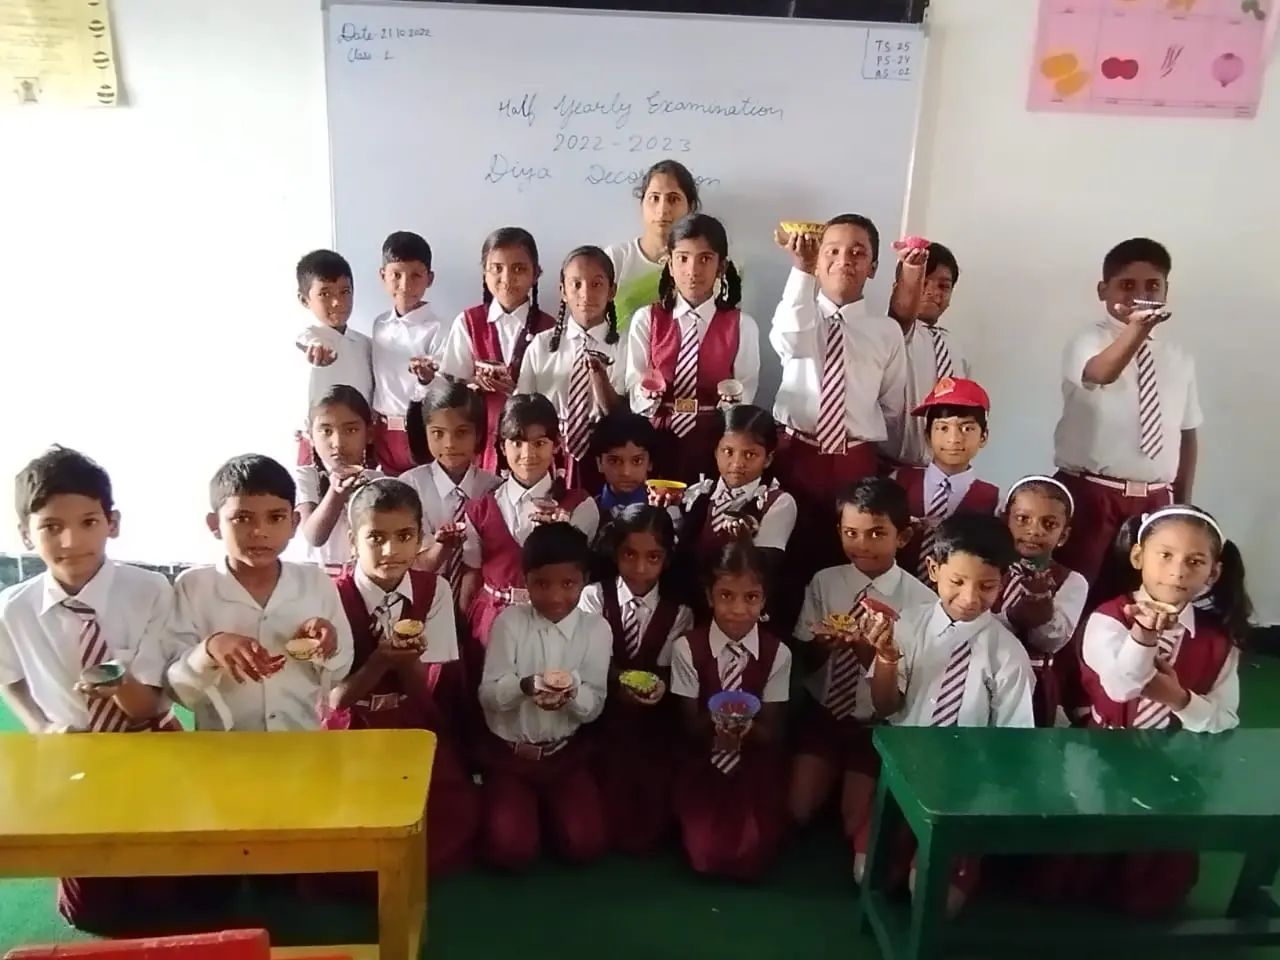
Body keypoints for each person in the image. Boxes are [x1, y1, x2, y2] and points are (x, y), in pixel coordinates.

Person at [0, 447, 179, 934]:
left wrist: (117, 685)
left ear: (112, 523)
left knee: (173, 893)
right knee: (89, 911)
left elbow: (148, 703)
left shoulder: (151, 591)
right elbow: (9, 676)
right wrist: (41, 727)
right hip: (74, 759)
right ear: (24, 534)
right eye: (51, 527)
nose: (72, 540)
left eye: (88, 522)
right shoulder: (12, 610)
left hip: (151, 742)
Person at [1072, 506, 1250, 915]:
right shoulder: (1108, 620)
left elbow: (1225, 720)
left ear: (1214, 573)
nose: (1178, 570)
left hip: (1175, 772)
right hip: (1102, 761)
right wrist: (1145, 635)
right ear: (1138, 558)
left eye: (1195, 561)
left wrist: (1180, 700)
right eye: (1165, 555)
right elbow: (1121, 687)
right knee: (1083, 880)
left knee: (1152, 891)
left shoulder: (1217, 641)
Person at [865, 514, 1033, 912]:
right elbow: (884, 706)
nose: (971, 598)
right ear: (934, 569)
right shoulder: (907, 625)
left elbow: (1014, 741)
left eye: (987, 585)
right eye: (957, 581)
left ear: (1003, 582)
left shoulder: (1008, 654)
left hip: (965, 786)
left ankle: (959, 865)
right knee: (868, 874)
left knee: (932, 901)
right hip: (905, 768)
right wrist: (886, 658)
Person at [327, 479, 476, 876]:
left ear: (420, 538)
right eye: (376, 537)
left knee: (446, 819)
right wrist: (379, 661)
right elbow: (335, 700)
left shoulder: (435, 590)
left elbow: (426, 690)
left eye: (404, 536)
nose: (391, 551)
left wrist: (405, 662)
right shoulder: (331, 596)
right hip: (350, 728)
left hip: (410, 720)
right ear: (353, 541)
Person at [788, 478, 935, 863]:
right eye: (851, 533)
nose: (862, 544)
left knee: (854, 820)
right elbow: (807, 657)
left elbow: (903, 691)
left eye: (876, 534)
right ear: (839, 531)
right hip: (823, 714)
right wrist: (824, 645)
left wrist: (868, 651)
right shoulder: (825, 581)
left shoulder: (921, 601)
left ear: (902, 538)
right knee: (798, 810)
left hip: (875, 727)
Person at [1051, 238, 1200, 590]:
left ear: (1166, 290)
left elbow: (1187, 433)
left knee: (1140, 594)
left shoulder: (1179, 358)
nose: (1140, 294)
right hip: (1092, 493)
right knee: (1077, 589)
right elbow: (1101, 373)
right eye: (1127, 285)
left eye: (1152, 286)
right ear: (1104, 290)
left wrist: (1182, 502)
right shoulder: (1088, 339)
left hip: (1154, 496)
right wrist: (1137, 327)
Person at [166, 454, 354, 731]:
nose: (259, 531)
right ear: (214, 524)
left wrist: (327, 645)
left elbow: (340, 670)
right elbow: (176, 690)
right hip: (222, 756)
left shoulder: (315, 584)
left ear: (293, 523)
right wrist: (209, 651)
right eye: (242, 518)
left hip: (300, 748)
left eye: (276, 517)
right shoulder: (194, 587)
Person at [477, 522, 610, 869]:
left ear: (584, 581)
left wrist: (570, 697)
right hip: (510, 757)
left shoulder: (596, 629)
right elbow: (489, 696)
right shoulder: (510, 622)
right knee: (510, 852)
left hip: (564, 756)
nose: (555, 597)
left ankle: (545, 813)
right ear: (525, 581)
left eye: (568, 584)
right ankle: (517, 808)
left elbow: (594, 705)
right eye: (541, 584)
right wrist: (526, 686)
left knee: (585, 846)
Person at [770, 215, 909, 513]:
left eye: (858, 253)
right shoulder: (796, 311)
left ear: (872, 268)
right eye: (831, 251)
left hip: (855, 460)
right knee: (790, 546)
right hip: (795, 452)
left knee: (851, 547)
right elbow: (790, 343)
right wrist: (801, 271)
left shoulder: (886, 332)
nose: (844, 259)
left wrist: (856, 435)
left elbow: (892, 406)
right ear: (817, 261)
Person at [670, 542, 792, 881]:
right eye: (726, 596)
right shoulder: (688, 648)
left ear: (764, 600)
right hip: (703, 763)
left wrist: (746, 729)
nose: (738, 609)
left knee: (752, 857)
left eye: (751, 597)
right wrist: (715, 723)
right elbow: (688, 728)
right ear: (709, 597)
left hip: (754, 765)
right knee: (707, 856)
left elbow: (773, 733)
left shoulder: (777, 653)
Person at [579, 505, 693, 855]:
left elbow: (664, 672)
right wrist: (619, 684)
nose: (640, 568)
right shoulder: (594, 597)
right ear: (615, 553)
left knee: (646, 827)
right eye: (630, 554)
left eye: (653, 557)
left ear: (667, 559)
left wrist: (653, 690)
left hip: (651, 726)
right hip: (599, 718)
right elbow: (589, 660)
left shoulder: (680, 614)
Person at [459, 394, 600, 671]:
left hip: (554, 619)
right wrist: (463, 628)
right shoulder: (481, 508)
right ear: (501, 445)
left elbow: (582, 577)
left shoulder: (581, 506)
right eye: (517, 442)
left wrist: (564, 531)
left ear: (556, 445)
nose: (527, 454)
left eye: (539, 443)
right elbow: (471, 575)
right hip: (492, 622)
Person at [625, 213, 760, 483]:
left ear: (721, 266)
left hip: (714, 445)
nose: (693, 270)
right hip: (654, 442)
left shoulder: (741, 325)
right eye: (683, 258)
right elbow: (633, 387)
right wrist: (648, 395)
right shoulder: (646, 320)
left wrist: (730, 401)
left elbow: (746, 394)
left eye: (705, 259)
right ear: (670, 264)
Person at [439, 227, 556, 473]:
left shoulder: (551, 329)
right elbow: (452, 389)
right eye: (497, 268)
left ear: (536, 273)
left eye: (519, 269)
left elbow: (555, 397)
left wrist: (518, 390)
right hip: (480, 444)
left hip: (531, 448)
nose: (507, 278)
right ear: (484, 272)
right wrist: (475, 384)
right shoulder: (468, 323)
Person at [517, 245, 626, 492]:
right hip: (549, 457)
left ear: (612, 291)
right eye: (576, 284)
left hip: (605, 457)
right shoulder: (542, 345)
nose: (585, 293)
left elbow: (624, 412)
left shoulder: (625, 346)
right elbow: (524, 408)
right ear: (562, 291)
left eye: (597, 284)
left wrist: (599, 376)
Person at [672, 405, 796, 618]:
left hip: (739, 610)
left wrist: (745, 544)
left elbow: (766, 568)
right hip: (692, 604)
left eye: (750, 455)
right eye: (728, 452)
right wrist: (666, 510)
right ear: (716, 451)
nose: (737, 464)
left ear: (767, 459)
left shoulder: (777, 502)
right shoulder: (700, 492)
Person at [993, 476, 1088, 726]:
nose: (1034, 530)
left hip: (1034, 684)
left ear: (1063, 535)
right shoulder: (987, 569)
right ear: (1006, 521)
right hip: (981, 672)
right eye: (1023, 519)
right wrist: (1012, 617)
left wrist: (1042, 608)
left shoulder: (1072, 581)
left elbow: (1053, 641)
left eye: (1049, 524)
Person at [400, 378, 499, 600]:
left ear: (479, 434)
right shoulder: (409, 488)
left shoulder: (494, 489)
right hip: (421, 599)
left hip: (481, 603)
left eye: (461, 432)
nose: (449, 443)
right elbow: (412, 562)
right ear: (425, 432)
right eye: (438, 433)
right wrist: (440, 547)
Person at [893, 377, 999, 579]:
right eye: (942, 428)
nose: (954, 439)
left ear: (983, 436)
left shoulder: (994, 500)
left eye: (967, 428)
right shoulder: (899, 481)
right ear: (927, 435)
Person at [887, 241, 970, 467]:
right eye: (923, 282)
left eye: (944, 286)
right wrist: (911, 269)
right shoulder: (895, 332)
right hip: (893, 466)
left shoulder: (954, 346)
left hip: (939, 471)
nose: (933, 292)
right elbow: (901, 312)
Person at [369, 231, 447, 475]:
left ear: (429, 278)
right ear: (383, 276)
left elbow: (443, 388)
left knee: (419, 500)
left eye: (416, 275)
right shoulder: (379, 324)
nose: (405, 285)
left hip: (417, 430)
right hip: (381, 431)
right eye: (396, 275)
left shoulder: (439, 328)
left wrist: (426, 378)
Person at [292, 249, 372, 466]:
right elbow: (307, 342)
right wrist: (316, 350)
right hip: (317, 447)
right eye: (325, 294)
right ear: (304, 299)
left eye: (345, 291)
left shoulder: (365, 344)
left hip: (359, 444)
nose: (337, 302)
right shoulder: (307, 339)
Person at [295, 385, 383, 575]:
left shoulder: (380, 481)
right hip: (319, 581)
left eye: (351, 430)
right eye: (326, 431)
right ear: (310, 435)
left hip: (364, 580)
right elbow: (314, 536)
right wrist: (336, 492)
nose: (338, 443)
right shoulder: (306, 477)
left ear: (369, 434)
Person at [604, 158, 700, 329]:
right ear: (642, 204)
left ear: (690, 207)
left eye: (673, 199)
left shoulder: (702, 266)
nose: (662, 209)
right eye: (654, 198)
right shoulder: (615, 260)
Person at [590, 411, 661, 519]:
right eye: (614, 461)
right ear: (599, 463)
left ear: (650, 463)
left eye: (637, 461)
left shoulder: (664, 512)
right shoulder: (586, 513)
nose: (626, 472)